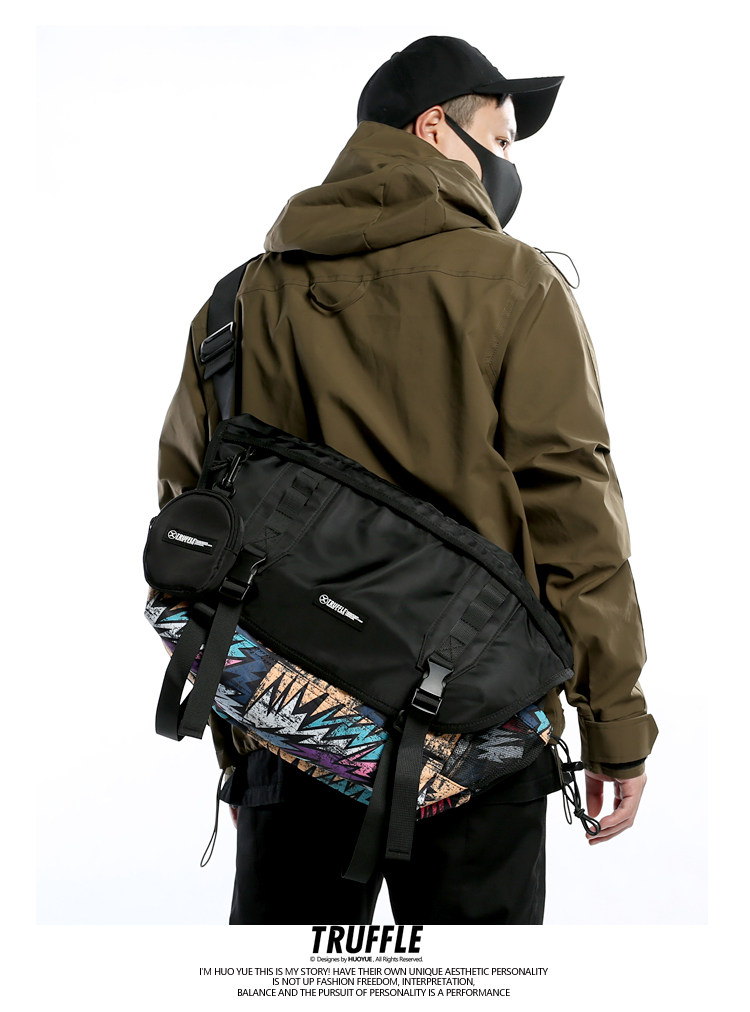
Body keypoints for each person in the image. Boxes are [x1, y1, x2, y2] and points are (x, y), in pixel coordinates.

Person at [156, 35, 658, 925]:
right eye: (499, 141)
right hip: (482, 741)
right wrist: (613, 721)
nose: (508, 167)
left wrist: (241, 743)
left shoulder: (236, 304)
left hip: (299, 734)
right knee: (479, 985)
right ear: (433, 129)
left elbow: (195, 535)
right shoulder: (517, 285)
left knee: (291, 986)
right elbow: (575, 518)